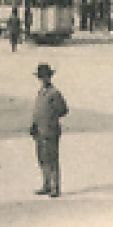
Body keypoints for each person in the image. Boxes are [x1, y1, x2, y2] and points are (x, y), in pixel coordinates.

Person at [28, 63, 69, 197]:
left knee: (52, 159)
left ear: (50, 77)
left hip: (50, 130)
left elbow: (63, 110)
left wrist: (51, 119)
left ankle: (55, 187)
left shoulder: (54, 93)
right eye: (41, 77)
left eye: (45, 77)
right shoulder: (41, 92)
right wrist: (34, 125)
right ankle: (46, 184)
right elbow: (37, 110)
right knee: (42, 158)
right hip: (39, 130)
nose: (43, 79)